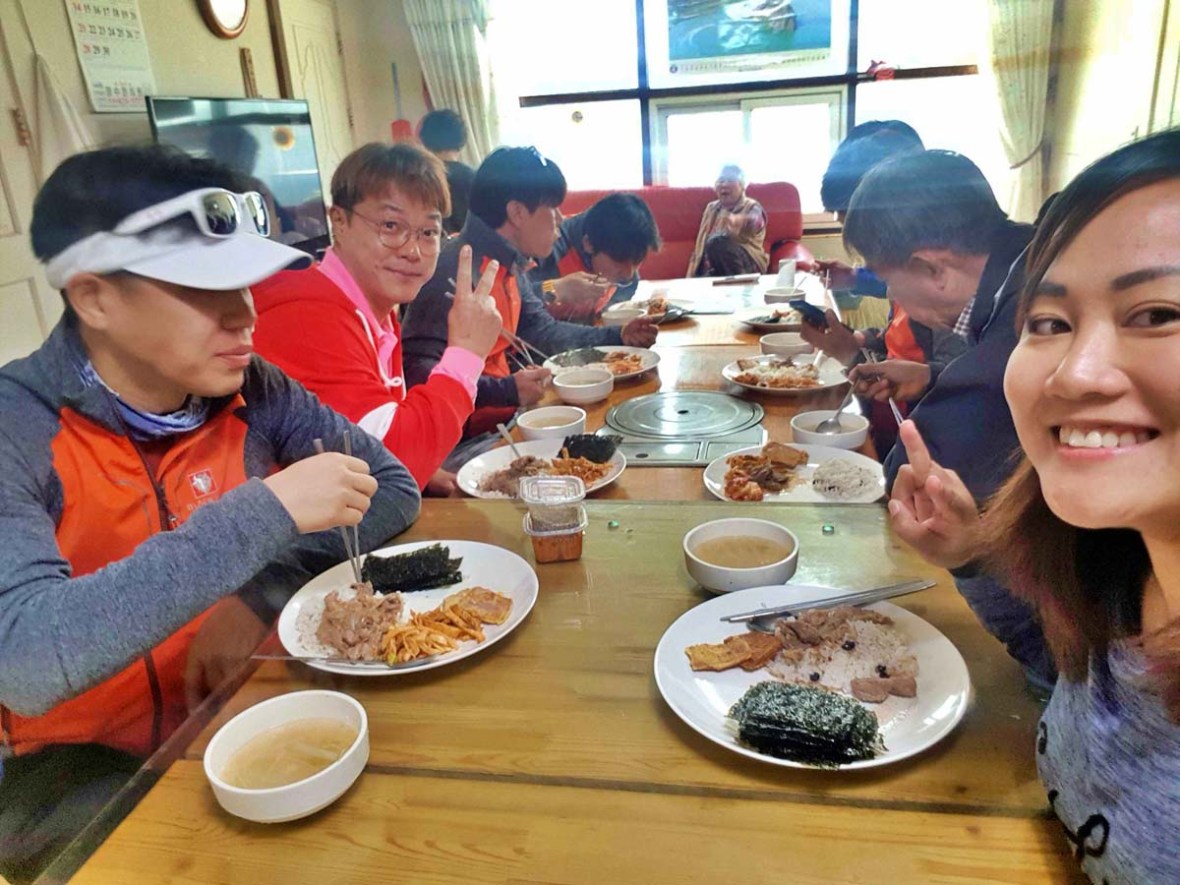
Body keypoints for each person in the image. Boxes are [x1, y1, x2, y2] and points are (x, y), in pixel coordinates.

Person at [0, 145, 421, 883]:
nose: (246, 314)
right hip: (78, 773)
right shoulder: (17, 427)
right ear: (94, 298)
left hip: (249, 704)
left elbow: (390, 487)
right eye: (204, 287)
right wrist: (265, 514)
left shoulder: (254, 386)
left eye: (247, 282)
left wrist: (256, 594)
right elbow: (26, 661)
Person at [890, 129, 1180, 884]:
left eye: (1156, 313)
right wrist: (971, 554)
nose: (1075, 373)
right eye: (1049, 322)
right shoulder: (1122, 568)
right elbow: (1063, 668)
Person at [837, 149, 1050, 683]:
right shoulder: (1029, 255)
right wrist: (932, 376)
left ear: (932, 267)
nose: (890, 295)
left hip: (1075, 647)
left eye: (887, 279)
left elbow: (914, 478)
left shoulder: (1030, 312)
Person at [252, 143, 502, 497]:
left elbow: (375, 441)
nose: (412, 251)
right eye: (390, 225)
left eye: (428, 232)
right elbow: (387, 472)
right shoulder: (305, 313)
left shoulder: (372, 307)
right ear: (339, 221)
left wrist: (423, 466)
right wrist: (467, 353)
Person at [401, 146, 658, 413]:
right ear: (517, 213)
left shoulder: (508, 263)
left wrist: (619, 335)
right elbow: (417, 371)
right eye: (553, 208)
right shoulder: (455, 268)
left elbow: (541, 331)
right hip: (472, 433)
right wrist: (506, 391)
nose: (560, 219)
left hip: (508, 417)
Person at [529, 192, 662, 322]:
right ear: (589, 244)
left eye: (638, 261)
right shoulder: (548, 246)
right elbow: (520, 301)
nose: (629, 275)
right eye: (618, 261)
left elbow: (625, 289)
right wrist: (556, 290)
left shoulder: (625, 252)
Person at [686, 163, 768, 277]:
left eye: (730, 180)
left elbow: (757, 221)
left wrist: (742, 220)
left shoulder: (751, 206)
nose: (724, 185)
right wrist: (690, 276)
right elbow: (699, 247)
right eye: (721, 181)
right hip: (714, 269)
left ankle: (738, 285)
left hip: (746, 266)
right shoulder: (711, 208)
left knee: (718, 242)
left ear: (742, 185)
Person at [418, 109, 476, 235]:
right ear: (461, 140)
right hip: (472, 245)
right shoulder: (475, 178)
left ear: (425, 140)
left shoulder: (417, 178)